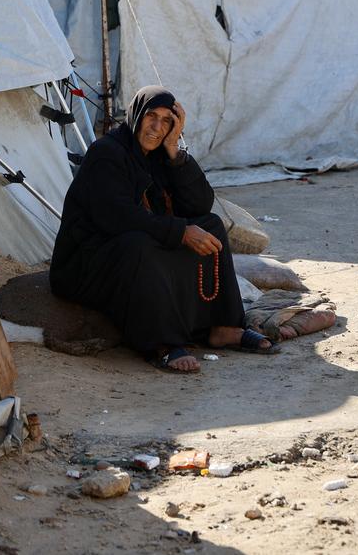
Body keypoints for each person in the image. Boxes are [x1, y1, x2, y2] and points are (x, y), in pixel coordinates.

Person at [50, 86, 278, 373]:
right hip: (86, 264)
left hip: (134, 245)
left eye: (167, 121)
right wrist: (181, 232)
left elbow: (200, 204)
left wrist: (175, 153)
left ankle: (223, 326)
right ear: (135, 116)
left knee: (211, 226)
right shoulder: (106, 153)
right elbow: (118, 218)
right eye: (151, 117)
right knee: (139, 245)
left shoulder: (160, 155)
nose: (157, 127)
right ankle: (163, 344)